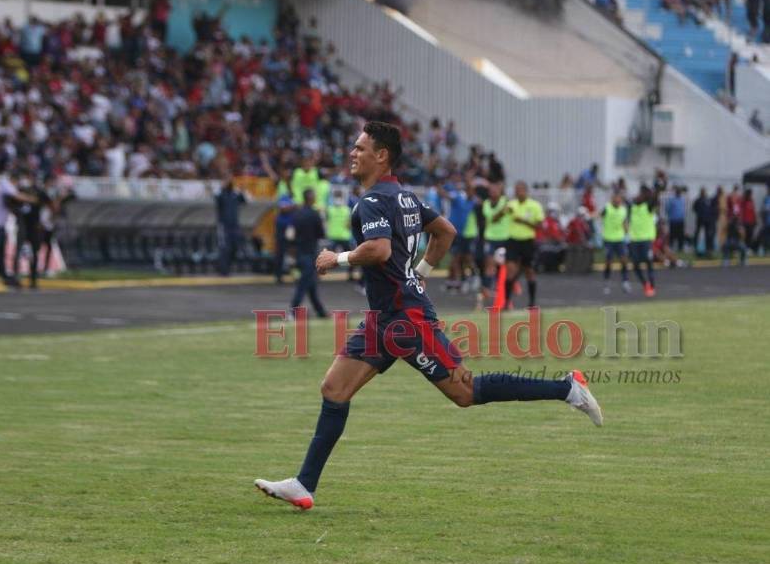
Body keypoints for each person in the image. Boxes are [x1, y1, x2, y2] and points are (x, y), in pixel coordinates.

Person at [255, 121, 603, 510]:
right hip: (384, 317)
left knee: (465, 393)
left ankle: (567, 388)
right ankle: (304, 485)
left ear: (381, 155)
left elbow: (380, 250)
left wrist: (337, 258)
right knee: (333, 390)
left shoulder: (372, 202)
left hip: (405, 319)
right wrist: (418, 275)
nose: (352, 153)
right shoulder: (403, 197)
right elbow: (446, 232)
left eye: (360, 148)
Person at [504, 181, 543, 309]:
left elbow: (539, 225)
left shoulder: (535, 206)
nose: (518, 192)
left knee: (529, 271)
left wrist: (523, 221)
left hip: (527, 241)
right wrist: (501, 211)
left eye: (520, 189)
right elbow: (495, 218)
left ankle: (532, 302)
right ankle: (506, 302)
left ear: (526, 191)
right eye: (516, 189)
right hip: (513, 240)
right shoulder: (511, 205)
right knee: (510, 271)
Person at [289, 188, 327, 318]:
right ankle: (293, 311)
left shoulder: (297, 214)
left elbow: (291, 235)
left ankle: (320, 311)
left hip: (300, 252)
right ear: (311, 198)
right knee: (304, 284)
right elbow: (321, 234)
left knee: (311, 284)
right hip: (310, 253)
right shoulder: (314, 214)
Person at [0, 172, 36, 288]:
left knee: (0, 255)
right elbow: (16, 196)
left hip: (1, 227)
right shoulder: (5, 184)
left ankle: (6, 278)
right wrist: (32, 199)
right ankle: (7, 277)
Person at [480, 182, 509, 302]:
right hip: (491, 237)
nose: (493, 193)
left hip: (504, 237)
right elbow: (492, 218)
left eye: (495, 190)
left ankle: (502, 288)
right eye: (491, 191)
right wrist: (501, 212)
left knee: (503, 265)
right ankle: (487, 289)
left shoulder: (505, 201)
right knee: (489, 264)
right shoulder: (486, 203)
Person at [628, 185, 658, 298]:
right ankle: (645, 284)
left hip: (646, 240)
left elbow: (655, 199)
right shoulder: (633, 207)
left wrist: (658, 188)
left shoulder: (648, 206)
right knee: (635, 265)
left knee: (648, 262)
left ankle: (652, 286)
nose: (638, 195)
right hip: (635, 240)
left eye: (641, 194)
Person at [601, 190, 631, 294]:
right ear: (613, 199)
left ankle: (625, 282)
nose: (618, 200)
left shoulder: (623, 210)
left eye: (620, 198)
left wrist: (628, 233)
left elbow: (624, 222)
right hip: (609, 239)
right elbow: (599, 216)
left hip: (620, 239)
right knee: (608, 262)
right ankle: (607, 283)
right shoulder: (607, 208)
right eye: (616, 198)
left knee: (624, 260)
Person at [215, 178, 246, 276]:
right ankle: (224, 271)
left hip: (235, 225)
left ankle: (226, 266)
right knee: (225, 248)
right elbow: (217, 199)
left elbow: (244, 201)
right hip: (224, 225)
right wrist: (222, 188)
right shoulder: (221, 195)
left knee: (235, 247)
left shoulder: (235, 195)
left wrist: (240, 190)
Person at [326, 189, 353, 282]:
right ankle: (350, 275)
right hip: (343, 236)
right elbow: (349, 225)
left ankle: (323, 273)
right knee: (350, 257)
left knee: (328, 257)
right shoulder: (347, 210)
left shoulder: (330, 209)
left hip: (335, 236)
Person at [274, 183, 296, 284]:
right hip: (282, 228)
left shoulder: (293, 199)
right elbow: (283, 209)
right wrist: (292, 206)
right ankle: (278, 276)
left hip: (291, 228)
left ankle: (295, 274)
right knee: (280, 254)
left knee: (293, 252)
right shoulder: (284, 197)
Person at [692, 187, 714, 257]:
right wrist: (699, 213)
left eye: (704, 191)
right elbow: (694, 208)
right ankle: (696, 248)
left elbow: (711, 209)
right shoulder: (698, 200)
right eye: (702, 191)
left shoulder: (708, 200)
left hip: (707, 220)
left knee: (708, 235)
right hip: (700, 219)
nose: (703, 193)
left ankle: (708, 249)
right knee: (698, 234)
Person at [665, 187, 686, 252]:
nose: (679, 193)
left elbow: (683, 209)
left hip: (681, 220)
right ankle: (671, 247)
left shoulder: (682, 200)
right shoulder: (672, 200)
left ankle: (680, 248)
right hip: (673, 220)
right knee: (672, 235)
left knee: (681, 235)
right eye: (678, 192)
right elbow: (667, 209)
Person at [740, 188, 757, 253]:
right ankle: (745, 248)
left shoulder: (751, 201)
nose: (751, 195)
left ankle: (749, 248)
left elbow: (753, 211)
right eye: (750, 194)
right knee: (746, 236)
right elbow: (741, 211)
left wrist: (755, 220)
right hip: (745, 221)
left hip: (751, 222)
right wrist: (740, 221)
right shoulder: (743, 201)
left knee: (751, 235)